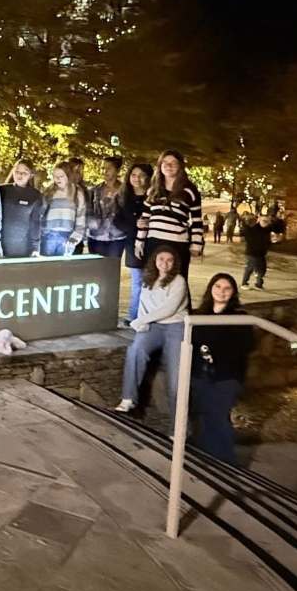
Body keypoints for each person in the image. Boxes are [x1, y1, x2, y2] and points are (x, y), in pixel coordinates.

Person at [115, 244, 189, 429]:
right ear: (155, 261)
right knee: (135, 350)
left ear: (174, 263)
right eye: (161, 259)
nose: (165, 263)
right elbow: (144, 304)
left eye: (169, 260)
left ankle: (178, 427)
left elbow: (169, 308)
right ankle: (128, 398)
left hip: (175, 326)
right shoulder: (148, 279)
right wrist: (142, 322)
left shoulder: (178, 281)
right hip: (153, 325)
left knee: (176, 376)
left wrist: (142, 320)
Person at [190, 274, 254, 465]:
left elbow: (245, 346)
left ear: (233, 293)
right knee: (206, 416)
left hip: (226, 377)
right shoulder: (200, 315)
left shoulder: (240, 318)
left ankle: (227, 462)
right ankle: (208, 457)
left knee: (218, 416)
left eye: (227, 288)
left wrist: (215, 354)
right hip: (201, 375)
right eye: (217, 286)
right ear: (210, 288)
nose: (221, 291)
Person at [135, 150, 204, 277]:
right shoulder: (153, 190)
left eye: (173, 163)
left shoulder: (189, 190)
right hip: (153, 242)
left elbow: (197, 220)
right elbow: (145, 218)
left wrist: (196, 245)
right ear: (160, 166)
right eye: (165, 163)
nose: (169, 166)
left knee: (177, 280)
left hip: (177, 243)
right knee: (152, 279)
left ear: (180, 166)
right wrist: (139, 243)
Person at [114, 163, 154, 325]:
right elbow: (117, 220)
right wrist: (134, 225)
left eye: (141, 175)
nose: (137, 179)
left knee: (152, 281)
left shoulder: (154, 197)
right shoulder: (123, 197)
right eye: (133, 175)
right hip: (132, 243)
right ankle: (134, 317)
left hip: (152, 242)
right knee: (137, 281)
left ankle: (149, 316)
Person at [33, 162, 86, 257]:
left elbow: (81, 219)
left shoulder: (77, 193)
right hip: (48, 235)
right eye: (55, 176)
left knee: (63, 269)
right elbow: (40, 214)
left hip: (67, 237)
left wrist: (75, 237)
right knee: (47, 267)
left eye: (61, 176)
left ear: (68, 176)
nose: (57, 179)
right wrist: (39, 234)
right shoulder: (50, 192)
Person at [0, 160, 42, 258]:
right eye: (17, 171)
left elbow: (35, 223)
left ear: (31, 175)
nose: (20, 175)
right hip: (0, 247)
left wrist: (35, 248)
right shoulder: (2, 190)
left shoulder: (35, 195)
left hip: (23, 248)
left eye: (25, 172)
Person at [87, 156, 127, 258]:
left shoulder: (125, 191)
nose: (104, 171)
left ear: (117, 170)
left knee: (112, 269)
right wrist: (92, 221)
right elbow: (88, 210)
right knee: (96, 269)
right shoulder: (95, 191)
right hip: (96, 236)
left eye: (109, 168)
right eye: (103, 168)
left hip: (116, 236)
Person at [241, 214, 273, 289]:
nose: (265, 223)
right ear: (259, 221)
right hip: (252, 252)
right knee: (250, 267)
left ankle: (258, 284)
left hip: (261, 253)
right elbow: (245, 233)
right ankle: (244, 283)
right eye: (264, 221)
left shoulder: (267, 230)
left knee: (262, 269)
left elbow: (267, 241)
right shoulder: (253, 229)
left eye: (267, 221)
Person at [70, 157, 91, 253]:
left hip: (78, 235)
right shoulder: (57, 189)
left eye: (81, 171)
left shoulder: (84, 190)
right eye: (76, 171)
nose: (79, 174)